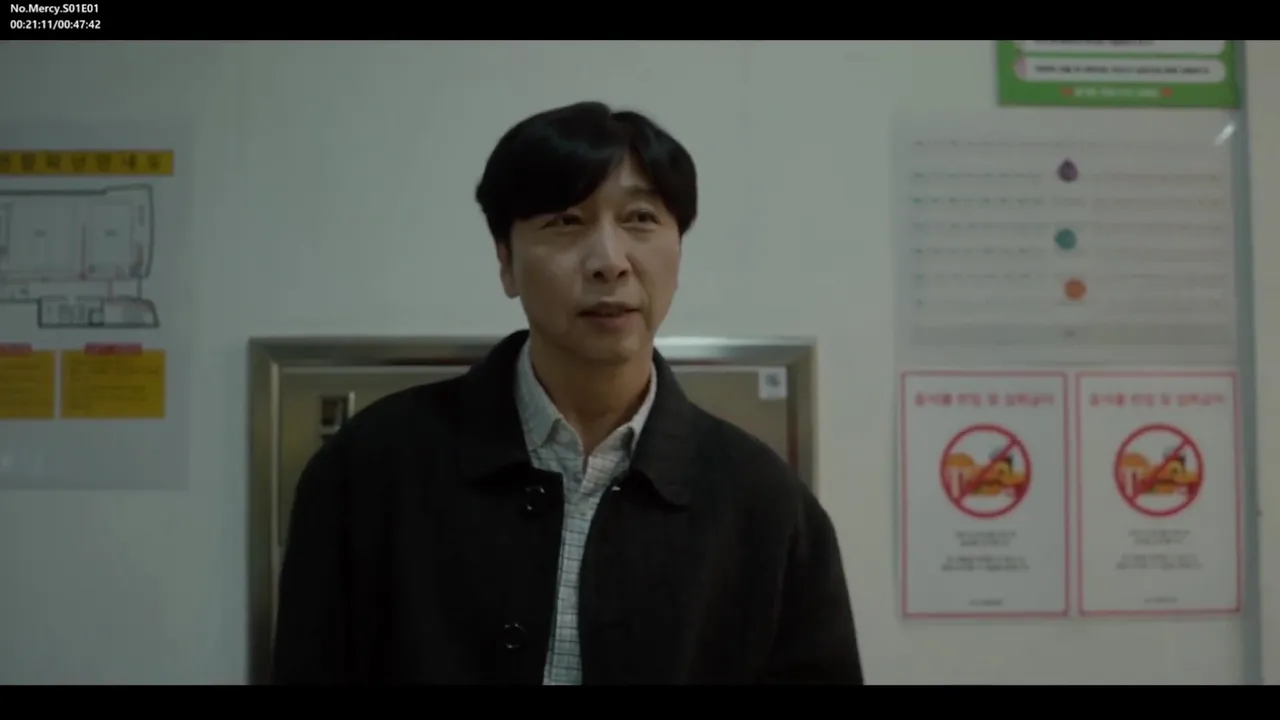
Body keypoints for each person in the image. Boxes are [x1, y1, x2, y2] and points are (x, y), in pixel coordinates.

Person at [271, 101, 863, 685]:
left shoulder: (764, 503)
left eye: (640, 218)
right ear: (506, 261)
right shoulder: (369, 468)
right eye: (565, 222)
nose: (609, 262)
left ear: (678, 252)